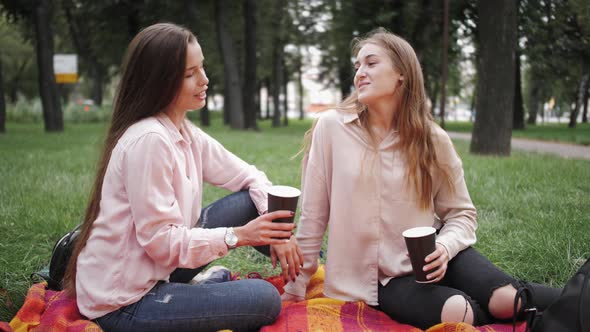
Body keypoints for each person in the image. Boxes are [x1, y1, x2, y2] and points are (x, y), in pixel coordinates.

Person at [272, 29, 560, 329]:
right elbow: (314, 217)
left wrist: (445, 248)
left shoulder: (432, 139)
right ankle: (524, 315)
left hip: (437, 257)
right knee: (457, 312)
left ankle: (575, 301)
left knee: (506, 301)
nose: (360, 73)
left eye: (371, 63)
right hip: (385, 282)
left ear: (401, 74)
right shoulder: (331, 127)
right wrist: (295, 287)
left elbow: (462, 214)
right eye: (357, 66)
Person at [62, 23, 296, 332]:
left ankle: (300, 265)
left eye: (202, 68)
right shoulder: (149, 141)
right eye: (190, 74)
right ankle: (197, 292)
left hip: (161, 269)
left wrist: (279, 231)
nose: (205, 80)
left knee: (252, 201)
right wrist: (238, 236)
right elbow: (160, 242)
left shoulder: (185, 132)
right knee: (265, 299)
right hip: (126, 301)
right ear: (159, 82)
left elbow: (250, 176)